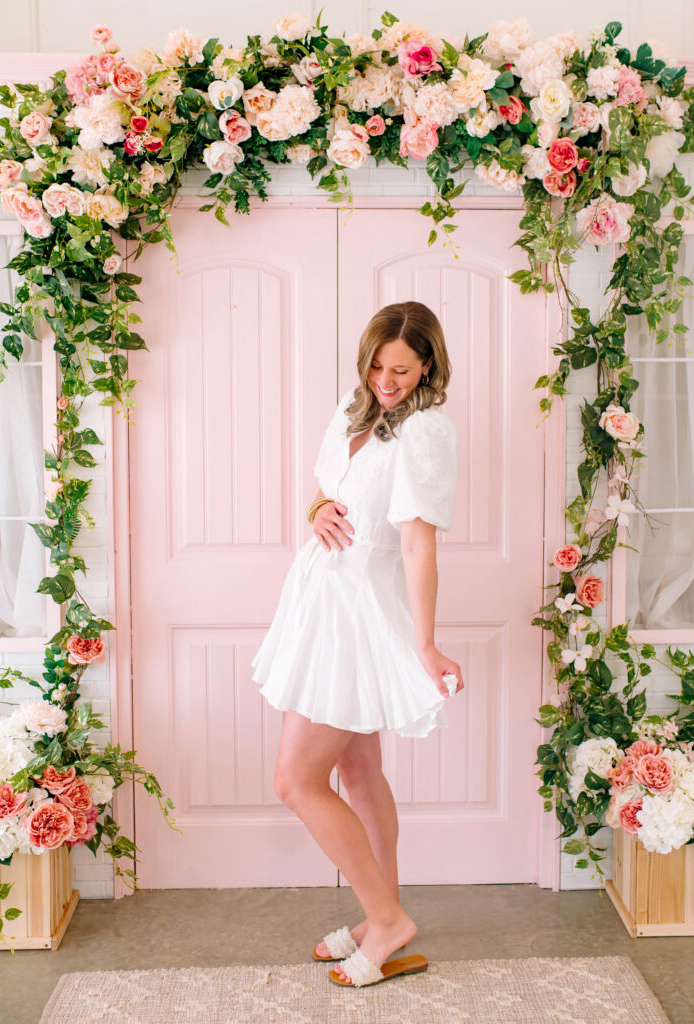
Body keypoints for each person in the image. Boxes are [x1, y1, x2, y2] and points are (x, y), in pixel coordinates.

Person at [251, 300, 462, 988]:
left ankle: (388, 919)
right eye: (375, 366)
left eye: (399, 369)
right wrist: (314, 507)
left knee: (296, 780)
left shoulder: (426, 431)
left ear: (426, 363)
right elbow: (322, 488)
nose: (385, 380)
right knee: (357, 774)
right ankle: (382, 919)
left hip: (359, 611)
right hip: (319, 599)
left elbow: (417, 540)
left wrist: (425, 644)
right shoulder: (354, 407)